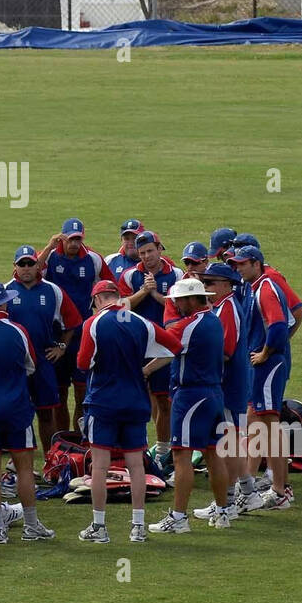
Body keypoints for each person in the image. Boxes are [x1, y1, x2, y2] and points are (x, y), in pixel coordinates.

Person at [75, 280, 182, 544]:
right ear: (119, 296)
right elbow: (175, 348)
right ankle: (138, 526)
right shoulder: (141, 322)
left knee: (99, 466)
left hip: (103, 401)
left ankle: (100, 527)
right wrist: (147, 369)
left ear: (98, 300)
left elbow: (82, 363)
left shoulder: (95, 324)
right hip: (136, 401)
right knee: (136, 465)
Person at [0, 282, 56, 544]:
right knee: (25, 468)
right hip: (16, 407)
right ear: (2, 304)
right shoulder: (18, 332)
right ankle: (30, 525)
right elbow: (31, 365)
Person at [152, 277, 231, 532]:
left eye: (179, 300)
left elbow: (163, 346)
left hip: (192, 396)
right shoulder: (214, 321)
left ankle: (178, 518)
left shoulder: (190, 326)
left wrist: (141, 371)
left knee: (181, 454)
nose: (176, 305)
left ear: (190, 299)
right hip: (214, 394)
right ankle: (222, 512)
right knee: (212, 453)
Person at [229, 245, 294, 511]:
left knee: (269, 425)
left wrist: (265, 353)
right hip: (261, 365)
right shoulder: (259, 286)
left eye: (242, 264)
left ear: (256, 264)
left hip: (267, 366)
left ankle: (280, 490)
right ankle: (250, 487)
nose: (238, 268)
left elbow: (279, 326)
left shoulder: (265, 288)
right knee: (256, 422)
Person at [35, 218, 114, 426]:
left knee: (82, 390)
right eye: (70, 239)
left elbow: (112, 288)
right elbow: (32, 272)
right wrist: (49, 247)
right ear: (62, 238)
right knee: (60, 392)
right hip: (56, 333)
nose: (74, 244)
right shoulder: (52, 256)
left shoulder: (93, 259)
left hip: (82, 333)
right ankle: (63, 438)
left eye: (78, 239)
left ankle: (79, 438)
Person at [193, 262, 255, 518]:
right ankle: (247, 493)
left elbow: (225, 351)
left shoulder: (227, 309)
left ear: (227, 284)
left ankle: (228, 503)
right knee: (230, 441)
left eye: (210, 283)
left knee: (227, 443)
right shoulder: (223, 307)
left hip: (228, 384)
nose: (205, 287)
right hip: (232, 383)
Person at [6, 244, 82, 449]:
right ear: (15, 266)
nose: (27, 267)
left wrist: (62, 346)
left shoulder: (52, 291)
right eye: (22, 264)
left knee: (46, 412)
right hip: (17, 363)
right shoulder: (6, 292)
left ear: (38, 265)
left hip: (43, 361)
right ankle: (20, 459)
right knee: (19, 414)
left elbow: (72, 321)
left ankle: (51, 458)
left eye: (31, 263)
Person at [116, 229, 181, 462]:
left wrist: (155, 295)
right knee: (137, 399)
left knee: (164, 400)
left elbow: (181, 308)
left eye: (150, 251)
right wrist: (143, 291)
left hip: (164, 346)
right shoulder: (129, 276)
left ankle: (163, 450)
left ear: (159, 248)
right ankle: (138, 449)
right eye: (142, 252)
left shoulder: (176, 274)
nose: (146, 256)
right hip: (137, 345)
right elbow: (120, 308)